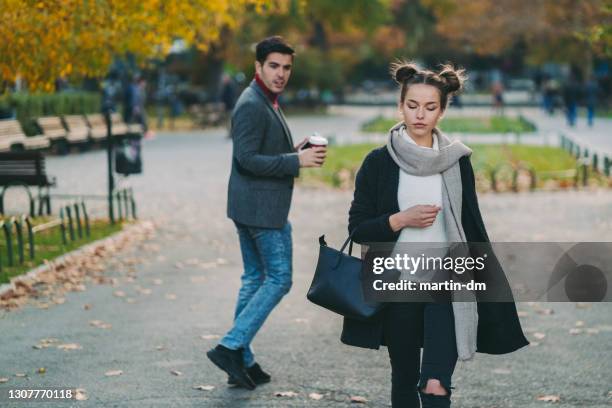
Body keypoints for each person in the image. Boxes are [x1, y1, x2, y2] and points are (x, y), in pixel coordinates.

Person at [343, 61, 529, 408]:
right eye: (412, 105)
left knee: (435, 384)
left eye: (430, 107)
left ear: (442, 111)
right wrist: (399, 220)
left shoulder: (456, 162)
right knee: (403, 379)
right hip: (398, 284)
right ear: (401, 106)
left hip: (447, 285)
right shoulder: (379, 163)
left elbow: (471, 228)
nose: (420, 115)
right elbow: (357, 228)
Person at [206, 36, 327, 390]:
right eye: (274, 66)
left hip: (255, 204)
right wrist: (295, 161)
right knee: (278, 279)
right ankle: (230, 346)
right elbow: (246, 159)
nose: (281, 73)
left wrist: (294, 150)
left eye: (287, 67)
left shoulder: (266, 100)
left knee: (255, 278)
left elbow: (260, 152)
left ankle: (241, 360)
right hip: (259, 208)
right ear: (258, 67)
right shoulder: (250, 103)